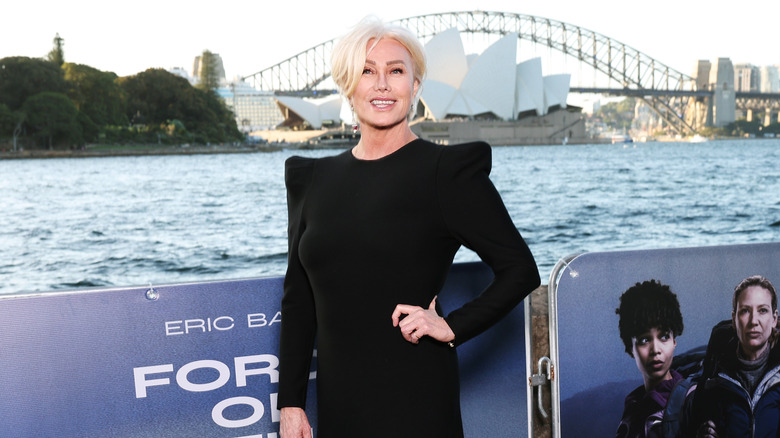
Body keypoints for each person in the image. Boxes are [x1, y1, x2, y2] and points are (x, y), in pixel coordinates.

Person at [277, 16, 540, 438]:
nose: (382, 84)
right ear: (348, 85)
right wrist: (290, 404)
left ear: (415, 86)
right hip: (339, 408)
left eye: (396, 71)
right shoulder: (312, 180)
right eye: (367, 70)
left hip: (418, 402)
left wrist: (452, 326)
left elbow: (520, 269)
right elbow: (299, 300)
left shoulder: (447, 173)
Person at [682, 275, 780, 438]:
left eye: (762, 310)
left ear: (774, 319)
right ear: (734, 319)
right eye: (745, 311)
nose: (754, 321)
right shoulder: (714, 378)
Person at [615, 280, 685, 438]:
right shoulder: (633, 408)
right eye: (644, 340)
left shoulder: (691, 402)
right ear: (630, 347)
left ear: (674, 341)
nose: (656, 350)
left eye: (664, 336)